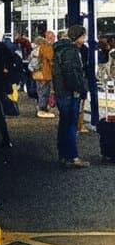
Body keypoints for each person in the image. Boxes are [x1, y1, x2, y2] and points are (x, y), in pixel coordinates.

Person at [52, 24, 90, 168]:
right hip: (69, 93)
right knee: (70, 126)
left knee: (64, 124)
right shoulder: (70, 51)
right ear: (77, 36)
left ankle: (63, 155)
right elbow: (72, 75)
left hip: (62, 92)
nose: (84, 40)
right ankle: (72, 157)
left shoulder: (60, 49)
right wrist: (81, 89)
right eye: (83, 36)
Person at [32, 30, 55, 118]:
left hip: (40, 72)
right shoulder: (47, 47)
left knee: (41, 91)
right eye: (53, 37)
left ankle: (40, 107)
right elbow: (50, 59)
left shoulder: (40, 47)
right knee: (44, 92)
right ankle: (42, 109)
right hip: (45, 73)